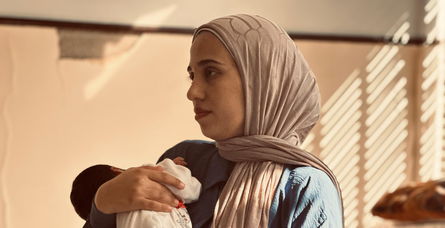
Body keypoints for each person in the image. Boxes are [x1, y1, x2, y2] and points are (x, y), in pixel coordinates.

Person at [82, 14, 344, 228]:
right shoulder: (186, 160)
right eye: (192, 76)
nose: (192, 92)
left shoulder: (305, 188)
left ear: (264, 80)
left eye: (211, 72)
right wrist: (103, 203)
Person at [71, 157, 200, 228]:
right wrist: (174, 168)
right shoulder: (156, 172)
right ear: (117, 171)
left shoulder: (114, 221)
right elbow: (191, 189)